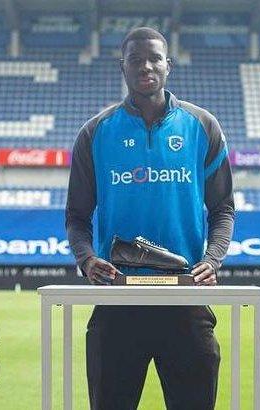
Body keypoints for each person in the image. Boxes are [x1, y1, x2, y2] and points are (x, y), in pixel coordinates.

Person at [66, 27, 235, 409]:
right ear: (121, 66)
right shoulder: (95, 133)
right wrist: (87, 258)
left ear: (168, 65)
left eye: (154, 58)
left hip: (185, 299)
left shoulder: (202, 126)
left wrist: (212, 260)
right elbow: (77, 216)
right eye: (136, 59)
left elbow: (223, 208)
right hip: (119, 300)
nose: (146, 66)